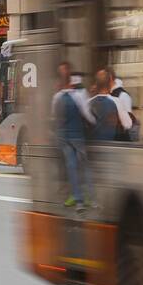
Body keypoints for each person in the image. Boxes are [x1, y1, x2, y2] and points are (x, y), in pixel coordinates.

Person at [52, 62, 95, 210]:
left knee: (71, 167)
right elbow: (87, 115)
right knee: (84, 166)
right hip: (78, 136)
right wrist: (94, 122)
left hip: (64, 138)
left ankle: (78, 202)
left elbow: (55, 116)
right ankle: (92, 198)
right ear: (71, 81)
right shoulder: (78, 96)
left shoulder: (57, 97)